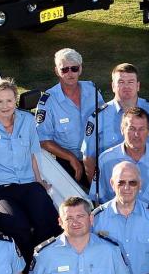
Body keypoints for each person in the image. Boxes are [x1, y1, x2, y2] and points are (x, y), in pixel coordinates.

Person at [0, 78, 62, 263]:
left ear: (15, 100)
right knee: (15, 224)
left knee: (49, 219)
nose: (5, 106)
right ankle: (27, 271)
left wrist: (40, 181)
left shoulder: (28, 120)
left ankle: (47, 265)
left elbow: (33, 154)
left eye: (9, 100)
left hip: (28, 184)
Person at [90, 108, 149, 242]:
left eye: (141, 129)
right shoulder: (105, 160)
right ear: (122, 129)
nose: (136, 134)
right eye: (131, 128)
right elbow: (99, 201)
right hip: (122, 231)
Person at [80, 63, 149, 180]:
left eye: (131, 82)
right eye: (121, 82)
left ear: (138, 85)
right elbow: (89, 158)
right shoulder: (97, 118)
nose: (126, 86)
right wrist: (99, 189)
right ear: (113, 86)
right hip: (116, 188)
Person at [35, 48, 104, 186]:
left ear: (80, 69)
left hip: (97, 155)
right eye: (64, 69)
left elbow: (104, 120)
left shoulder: (92, 89)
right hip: (68, 159)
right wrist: (71, 158)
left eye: (74, 68)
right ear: (56, 71)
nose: (70, 73)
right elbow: (43, 140)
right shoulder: (48, 101)